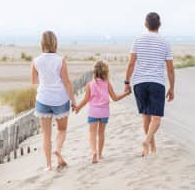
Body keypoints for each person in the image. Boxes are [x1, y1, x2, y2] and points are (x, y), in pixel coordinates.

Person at [124, 12, 175, 157]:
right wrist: (172, 87)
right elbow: (170, 69)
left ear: (145, 24)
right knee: (156, 118)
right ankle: (147, 142)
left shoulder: (138, 40)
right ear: (159, 25)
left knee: (146, 117)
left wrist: (127, 82)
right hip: (157, 82)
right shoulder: (165, 42)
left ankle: (151, 149)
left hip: (139, 82)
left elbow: (131, 63)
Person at [32, 30, 76, 171]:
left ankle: (48, 165)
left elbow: (34, 81)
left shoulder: (36, 61)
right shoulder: (60, 60)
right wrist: (74, 101)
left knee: (46, 134)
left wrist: (45, 79)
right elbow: (67, 82)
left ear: (42, 43)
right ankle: (57, 149)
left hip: (43, 99)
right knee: (62, 129)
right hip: (60, 99)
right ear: (55, 43)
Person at [74, 60, 131, 164]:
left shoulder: (90, 85)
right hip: (104, 112)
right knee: (101, 133)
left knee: (92, 133)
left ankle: (94, 152)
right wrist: (125, 94)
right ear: (105, 72)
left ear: (94, 72)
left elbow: (85, 100)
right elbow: (115, 98)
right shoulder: (107, 84)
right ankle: (100, 154)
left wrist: (78, 108)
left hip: (93, 112)